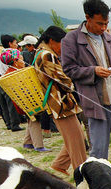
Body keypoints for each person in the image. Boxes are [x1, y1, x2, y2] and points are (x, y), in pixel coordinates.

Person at [61, 0, 111, 170]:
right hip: (96, 102)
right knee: (99, 149)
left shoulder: (110, 39)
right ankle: (98, 183)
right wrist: (93, 71)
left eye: (106, 24)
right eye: (100, 23)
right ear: (88, 18)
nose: (103, 28)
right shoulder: (71, 40)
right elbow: (69, 69)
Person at [34, 26, 88, 174]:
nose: (62, 49)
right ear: (51, 41)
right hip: (61, 104)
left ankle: (60, 164)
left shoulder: (39, 53)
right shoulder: (46, 55)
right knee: (77, 142)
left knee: (75, 137)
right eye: (61, 44)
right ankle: (82, 174)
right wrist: (80, 82)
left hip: (59, 104)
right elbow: (63, 79)